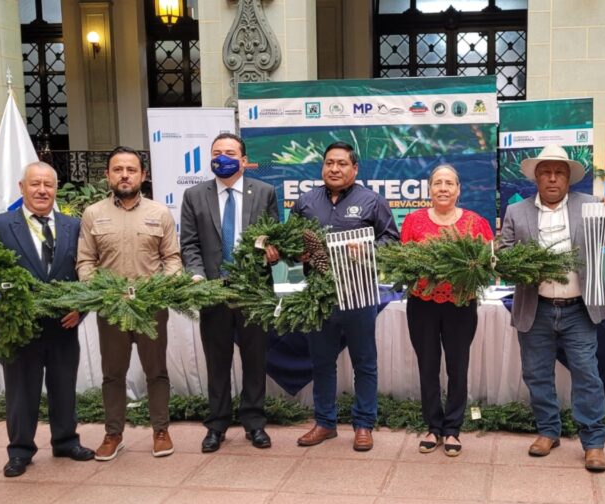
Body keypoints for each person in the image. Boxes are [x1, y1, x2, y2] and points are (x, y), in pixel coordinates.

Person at [498, 144, 605, 472]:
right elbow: (504, 258)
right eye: (546, 172)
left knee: (586, 373)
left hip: (579, 308)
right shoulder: (516, 212)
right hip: (536, 307)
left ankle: (593, 442)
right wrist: (520, 266)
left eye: (559, 172)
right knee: (536, 373)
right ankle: (548, 431)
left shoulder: (592, 206)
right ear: (536, 177)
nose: (552, 178)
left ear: (568, 179)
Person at [0, 162, 94, 477]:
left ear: (56, 189)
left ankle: (65, 441)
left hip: (63, 325)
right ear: (22, 187)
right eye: (35, 184)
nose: (42, 190)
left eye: (48, 184)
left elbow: (86, 271)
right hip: (20, 330)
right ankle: (20, 450)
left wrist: (81, 308)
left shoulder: (73, 226)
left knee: (64, 387)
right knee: (21, 391)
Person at [291, 141, 399, 451]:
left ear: (354, 169)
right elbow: (289, 244)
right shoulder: (306, 202)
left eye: (341, 163)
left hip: (359, 294)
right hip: (318, 298)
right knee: (322, 362)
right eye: (329, 163)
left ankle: (364, 424)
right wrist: (296, 254)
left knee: (364, 362)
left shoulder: (372, 201)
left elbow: (392, 242)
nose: (334, 169)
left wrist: (368, 250)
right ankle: (325, 423)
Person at [76, 146, 183, 460]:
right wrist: (99, 291)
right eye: (118, 169)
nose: (125, 175)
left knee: (156, 372)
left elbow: (172, 259)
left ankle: (161, 430)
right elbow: (86, 262)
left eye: (131, 170)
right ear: (108, 175)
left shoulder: (159, 213)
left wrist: (166, 286)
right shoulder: (93, 214)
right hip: (111, 310)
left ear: (143, 176)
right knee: (113, 374)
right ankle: (113, 434)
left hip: (150, 308)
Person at [180, 132, 279, 452]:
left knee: (255, 361)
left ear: (244, 160)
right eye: (217, 152)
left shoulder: (264, 192)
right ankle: (217, 424)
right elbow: (190, 244)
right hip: (213, 292)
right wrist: (197, 276)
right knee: (217, 361)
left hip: (252, 290)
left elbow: (272, 234)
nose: (222, 157)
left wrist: (271, 250)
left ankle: (254, 422)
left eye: (230, 152)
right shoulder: (195, 195)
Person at [400, 164, 492, 456]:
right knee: (427, 366)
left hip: (461, 305)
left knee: (457, 366)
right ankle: (432, 427)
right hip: (422, 305)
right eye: (437, 183)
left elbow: (488, 265)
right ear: (429, 189)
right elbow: (403, 263)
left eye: (449, 183)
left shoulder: (475, 223)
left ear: (458, 189)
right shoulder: (413, 222)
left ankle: (452, 429)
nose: (443, 188)